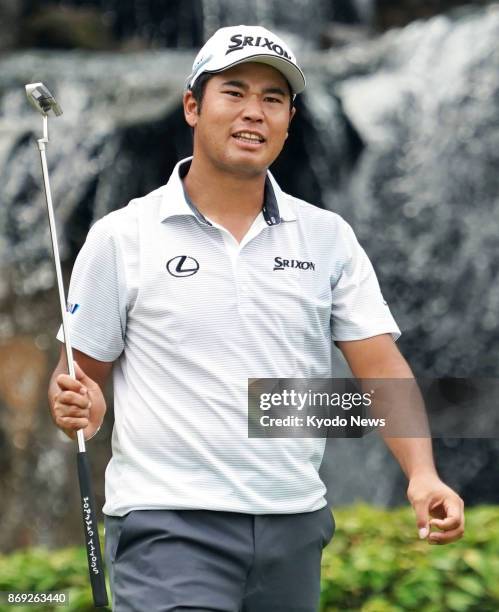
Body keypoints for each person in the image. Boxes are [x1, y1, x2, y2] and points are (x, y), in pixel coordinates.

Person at [48, 24, 464, 612]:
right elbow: (80, 380)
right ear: (193, 106)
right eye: (234, 92)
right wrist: (80, 409)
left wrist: (422, 473)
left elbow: (379, 366)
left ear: (290, 119)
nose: (254, 112)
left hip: (294, 525)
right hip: (169, 527)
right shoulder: (121, 236)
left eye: (274, 99)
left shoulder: (328, 237)